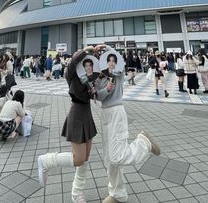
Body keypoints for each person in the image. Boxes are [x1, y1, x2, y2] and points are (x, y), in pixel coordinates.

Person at [95, 45, 161, 203]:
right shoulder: (99, 77)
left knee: (117, 156)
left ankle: (143, 143)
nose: (110, 63)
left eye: (112, 60)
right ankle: (117, 194)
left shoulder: (118, 73)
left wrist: (108, 47)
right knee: (109, 159)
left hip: (117, 112)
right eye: (107, 60)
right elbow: (98, 96)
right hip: (105, 115)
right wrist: (107, 89)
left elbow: (119, 58)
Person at [38, 46, 97, 203]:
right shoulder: (71, 77)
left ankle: (77, 193)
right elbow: (71, 64)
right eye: (85, 64)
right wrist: (85, 50)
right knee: (78, 159)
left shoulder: (88, 81)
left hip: (87, 116)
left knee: (85, 159)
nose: (88, 67)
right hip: (77, 116)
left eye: (90, 65)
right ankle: (46, 161)